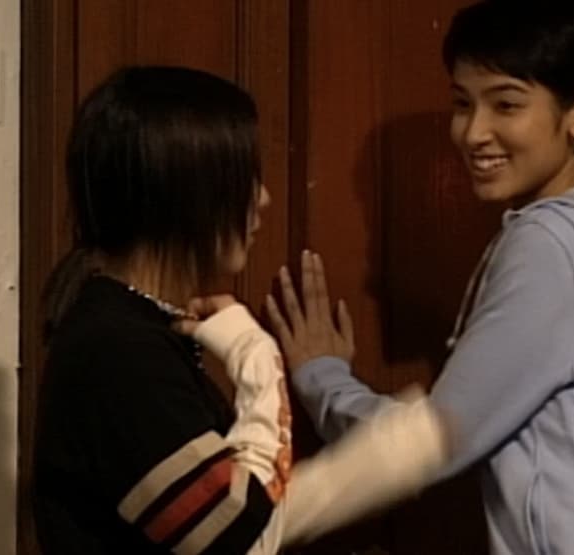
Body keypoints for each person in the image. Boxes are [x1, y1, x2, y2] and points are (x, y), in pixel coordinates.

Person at [267, 1, 574, 553]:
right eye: (462, 103)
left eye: (506, 104)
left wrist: (319, 382)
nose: (474, 132)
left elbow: (434, 437)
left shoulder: (553, 246)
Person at [33, 65, 447, 555]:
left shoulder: (129, 329)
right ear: (186, 195)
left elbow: (226, 517)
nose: (263, 199)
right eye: (243, 179)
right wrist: (256, 356)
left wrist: (391, 455)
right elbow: (240, 537)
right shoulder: (117, 352)